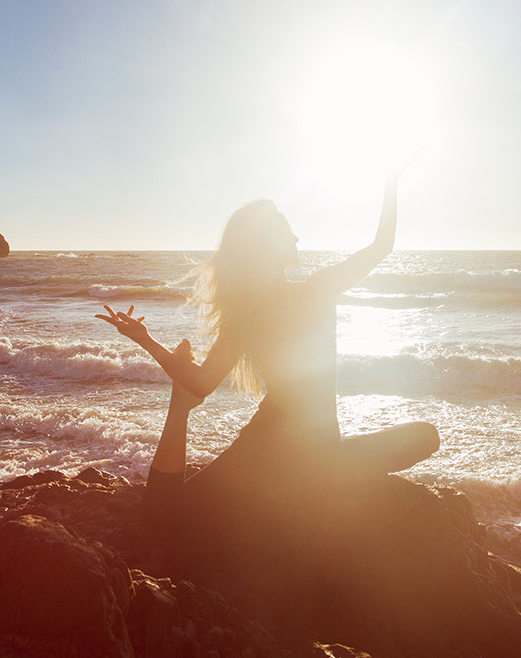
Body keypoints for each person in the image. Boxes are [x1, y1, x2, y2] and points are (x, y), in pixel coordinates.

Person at [97, 165, 438, 530]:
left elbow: (200, 383)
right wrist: (146, 342)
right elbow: (200, 383)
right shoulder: (296, 298)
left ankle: (315, 475)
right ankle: (180, 410)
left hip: (306, 451)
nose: (295, 237)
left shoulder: (282, 302)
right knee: (164, 519)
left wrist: (146, 340)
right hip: (275, 452)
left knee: (426, 436)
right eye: (286, 231)